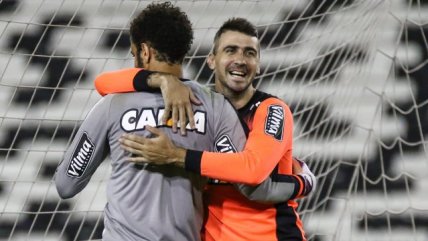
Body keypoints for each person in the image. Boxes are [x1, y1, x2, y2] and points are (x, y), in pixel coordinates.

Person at [55, 2, 311, 241]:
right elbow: (249, 186)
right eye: (231, 50)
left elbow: (66, 185)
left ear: (144, 52)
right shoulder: (215, 108)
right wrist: (304, 181)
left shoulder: (112, 104)